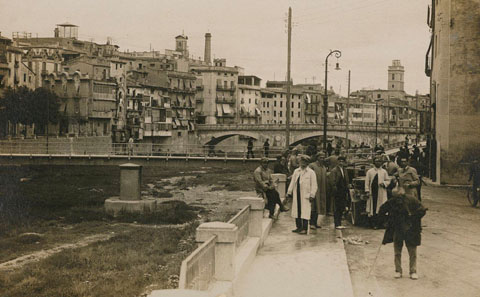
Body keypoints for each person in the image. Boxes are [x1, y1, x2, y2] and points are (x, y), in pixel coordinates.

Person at [379, 188, 427, 280]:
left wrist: (414, 218)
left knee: (412, 252)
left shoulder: (412, 200)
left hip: (411, 229)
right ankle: (398, 271)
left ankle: (413, 271)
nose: (399, 199)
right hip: (398, 229)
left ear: (404, 194)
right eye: (396, 197)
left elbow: (423, 209)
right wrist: (387, 221)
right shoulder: (392, 202)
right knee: (397, 252)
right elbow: (381, 210)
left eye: (400, 196)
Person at [287, 155, 318, 234]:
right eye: (302, 161)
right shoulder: (296, 171)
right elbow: (292, 182)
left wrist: (312, 195)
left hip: (306, 195)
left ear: (307, 163)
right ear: (299, 162)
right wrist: (289, 192)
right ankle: (298, 227)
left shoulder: (311, 172)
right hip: (297, 193)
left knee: (305, 212)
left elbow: (314, 185)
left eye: (305, 162)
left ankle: (304, 228)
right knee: (297, 211)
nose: (303, 163)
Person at [365, 157, 390, 229]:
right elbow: (367, 182)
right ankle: (374, 224)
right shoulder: (370, 171)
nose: (378, 162)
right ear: (374, 162)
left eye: (379, 161)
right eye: (376, 161)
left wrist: (384, 183)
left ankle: (381, 223)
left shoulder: (384, 171)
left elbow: (388, 180)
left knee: (381, 207)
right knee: (373, 207)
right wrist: (367, 190)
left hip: (381, 191)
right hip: (373, 191)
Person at [328, 156, 350, 229]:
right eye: (339, 161)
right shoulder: (334, 170)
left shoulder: (344, 170)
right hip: (337, 191)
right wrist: (335, 189)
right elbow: (332, 181)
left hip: (343, 191)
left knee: (341, 207)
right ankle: (337, 224)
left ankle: (339, 223)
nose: (341, 162)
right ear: (337, 162)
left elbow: (346, 180)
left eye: (342, 161)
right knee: (337, 208)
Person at [309, 152, 328, 229]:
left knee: (319, 206)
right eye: (321, 157)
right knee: (313, 206)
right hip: (314, 189)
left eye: (323, 157)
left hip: (321, 189)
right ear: (317, 158)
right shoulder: (312, 166)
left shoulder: (323, 167)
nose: (322, 159)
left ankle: (315, 222)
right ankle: (311, 223)